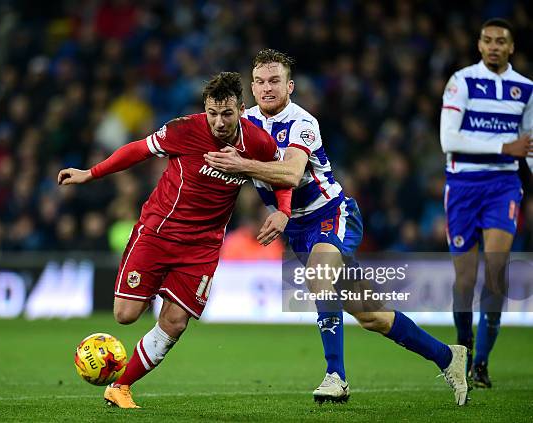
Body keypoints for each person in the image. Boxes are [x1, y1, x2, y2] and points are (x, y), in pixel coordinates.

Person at [204, 49, 469, 405]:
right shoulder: (244, 122)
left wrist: (242, 165)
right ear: (251, 86)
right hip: (297, 230)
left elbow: (292, 173)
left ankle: (336, 376)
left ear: (290, 86)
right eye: (261, 81)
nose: (267, 88)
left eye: (275, 81)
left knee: (319, 274)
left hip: (331, 214)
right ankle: (448, 357)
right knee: (373, 315)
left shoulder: (302, 123)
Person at [58, 72, 292, 408]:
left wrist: (283, 211)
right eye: (212, 113)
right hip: (159, 232)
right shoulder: (184, 129)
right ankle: (155, 289)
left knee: (175, 322)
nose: (219, 122)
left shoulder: (258, 143)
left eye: (227, 114)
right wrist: (91, 173)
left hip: (203, 246)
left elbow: (282, 178)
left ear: (242, 109)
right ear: (205, 109)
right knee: (125, 315)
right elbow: (138, 149)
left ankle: (120, 386)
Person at [440, 18, 533, 388]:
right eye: (487, 40)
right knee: (465, 282)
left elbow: (528, 146)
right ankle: (462, 347)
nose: (494, 46)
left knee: (495, 275)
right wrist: (502, 146)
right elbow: (449, 139)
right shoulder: (461, 81)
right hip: (462, 185)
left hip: (502, 186)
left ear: (511, 48)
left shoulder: (525, 89)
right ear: (479, 45)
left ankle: (480, 364)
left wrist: (513, 154)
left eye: (501, 42)